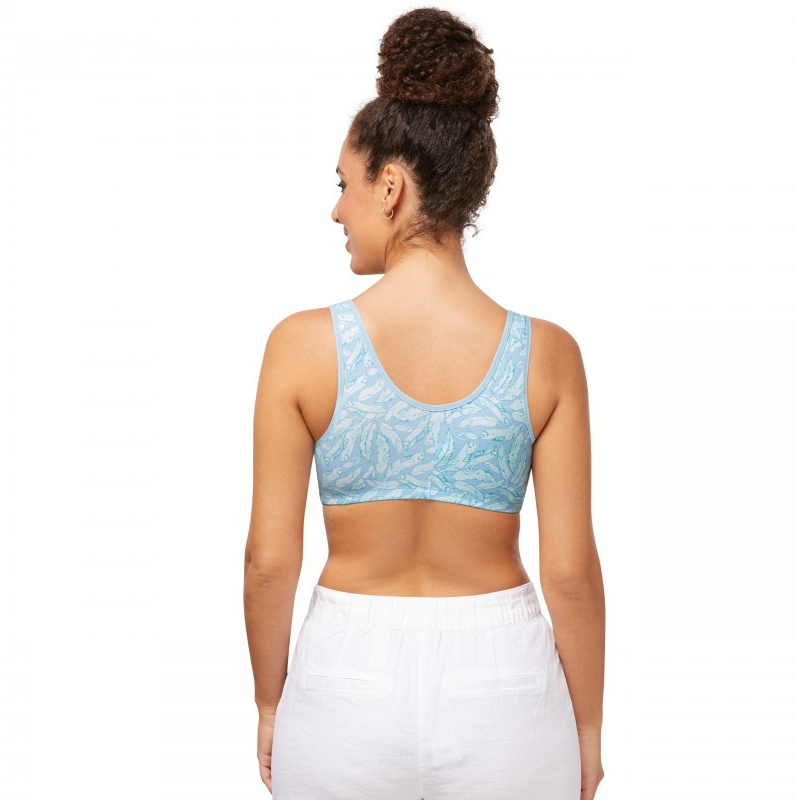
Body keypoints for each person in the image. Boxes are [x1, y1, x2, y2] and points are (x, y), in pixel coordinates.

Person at [244, 7, 605, 799]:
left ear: (391, 187)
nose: (337, 209)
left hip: (343, 685)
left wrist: (271, 704)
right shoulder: (548, 356)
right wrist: (585, 729)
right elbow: (571, 572)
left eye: (344, 184)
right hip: (505, 691)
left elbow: (269, 562)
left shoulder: (301, 348)